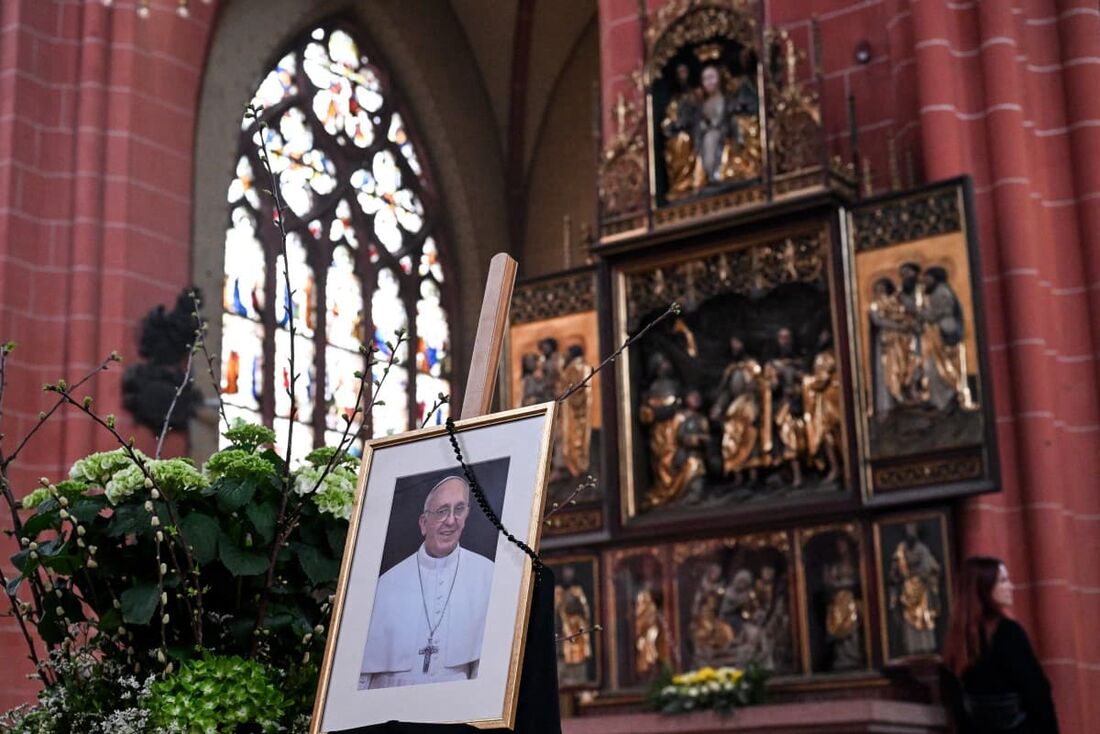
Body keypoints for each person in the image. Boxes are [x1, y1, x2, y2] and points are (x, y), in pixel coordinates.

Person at [359, 475, 494, 689]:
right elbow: (361, 678)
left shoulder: (489, 576)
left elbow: (487, 672)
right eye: (442, 511)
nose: (451, 520)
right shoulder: (385, 585)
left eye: (459, 509)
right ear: (424, 523)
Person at [942, 557, 1059, 733]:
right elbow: (1037, 694)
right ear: (984, 589)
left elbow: (958, 711)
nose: (1011, 587)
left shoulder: (956, 643)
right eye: (1003, 581)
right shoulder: (1007, 632)